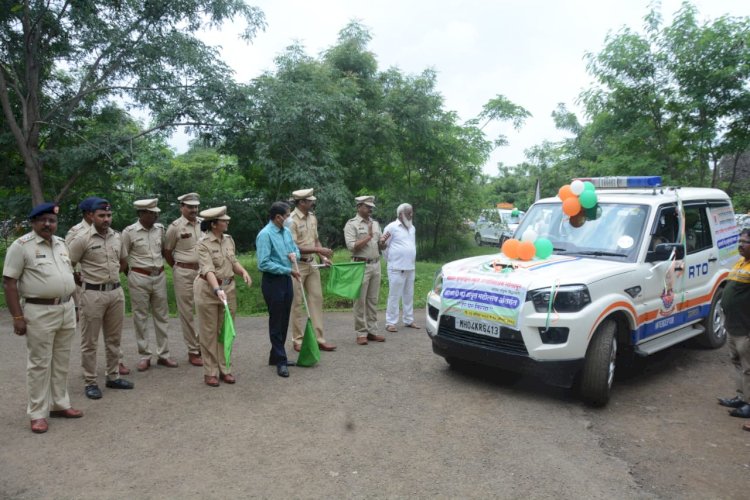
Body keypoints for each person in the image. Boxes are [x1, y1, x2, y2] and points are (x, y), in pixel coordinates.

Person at [3, 203, 82, 433]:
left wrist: (75, 305)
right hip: (39, 311)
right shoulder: (22, 246)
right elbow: (9, 282)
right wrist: (17, 316)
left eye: (52, 220)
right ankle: (37, 413)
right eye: (43, 220)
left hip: (66, 308)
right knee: (39, 363)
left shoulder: (61, 244)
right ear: (33, 222)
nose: (48, 224)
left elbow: (68, 277)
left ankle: (59, 403)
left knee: (61, 359)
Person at [68, 198, 134, 399]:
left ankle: (113, 376)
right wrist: (82, 283)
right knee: (90, 341)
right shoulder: (82, 238)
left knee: (114, 339)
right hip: (92, 294)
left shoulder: (117, 236)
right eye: (101, 215)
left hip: (115, 292)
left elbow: (123, 261)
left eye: (108, 215)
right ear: (90, 216)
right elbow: (68, 264)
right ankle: (90, 381)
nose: (106, 219)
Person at [194, 206, 251, 387]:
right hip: (209, 291)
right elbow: (208, 269)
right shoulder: (203, 244)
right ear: (213, 224)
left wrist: (243, 272)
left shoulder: (228, 240)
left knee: (225, 330)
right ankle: (210, 372)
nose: (227, 222)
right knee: (209, 332)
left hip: (228, 289)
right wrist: (217, 289)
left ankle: (225, 368)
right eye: (223, 220)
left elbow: (233, 261)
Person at [120, 199, 177, 371]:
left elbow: (163, 251)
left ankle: (164, 354)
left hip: (158, 276)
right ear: (141, 213)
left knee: (162, 316)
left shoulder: (160, 229)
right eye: (151, 213)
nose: (155, 215)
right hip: (138, 277)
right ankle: (145, 355)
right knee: (140, 317)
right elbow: (123, 257)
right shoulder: (129, 232)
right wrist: (132, 274)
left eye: (155, 213)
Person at [256, 201, 301, 377]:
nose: (289, 219)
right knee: (276, 321)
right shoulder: (265, 235)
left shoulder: (286, 232)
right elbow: (263, 263)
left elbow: (295, 251)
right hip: (273, 281)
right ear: (278, 217)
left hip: (286, 280)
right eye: (288, 215)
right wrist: (288, 269)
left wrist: (294, 255)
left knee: (284, 320)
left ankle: (275, 356)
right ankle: (281, 361)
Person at [288, 188, 336, 352]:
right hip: (297, 265)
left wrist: (323, 257)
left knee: (316, 299)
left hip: (312, 263)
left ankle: (319, 338)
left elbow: (316, 240)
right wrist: (318, 251)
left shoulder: (313, 218)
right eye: (309, 201)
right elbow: (293, 247)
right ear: (301, 202)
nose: (312, 203)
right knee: (297, 303)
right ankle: (298, 340)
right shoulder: (291, 220)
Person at [164, 192, 203, 367]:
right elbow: (167, 251)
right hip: (184, 273)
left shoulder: (204, 223)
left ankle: (202, 344)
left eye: (196, 206)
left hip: (203, 273)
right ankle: (193, 351)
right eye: (190, 206)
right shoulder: (175, 227)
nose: (194, 210)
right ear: (182, 207)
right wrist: (179, 267)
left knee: (205, 308)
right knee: (187, 313)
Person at [344, 195, 387, 345]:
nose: (370, 209)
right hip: (360, 265)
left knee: (372, 300)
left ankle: (372, 331)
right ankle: (361, 333)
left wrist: (383, 243)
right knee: (360, 301)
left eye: (371, 207)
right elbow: (351, 246)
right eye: (368, 207)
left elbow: (380, 245)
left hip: (376, 264)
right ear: (359, 207)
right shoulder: (352, 224)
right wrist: (368, 237)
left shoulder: (375, 223)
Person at [717, 228, 750, 419]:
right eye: (740, 241)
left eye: (744, 242)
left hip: (745, 327)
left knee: (748, 366)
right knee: (737, 361)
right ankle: (741, 396)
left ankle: (749, 403)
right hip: (733, 325)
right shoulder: (740, 262)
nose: (740, 245)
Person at [382, 203, 419, 333]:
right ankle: (390, 322)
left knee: (409, 294)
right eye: (408, 212)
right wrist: (391, 261)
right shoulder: (391, 227)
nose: (411, 214)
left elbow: (411, 246)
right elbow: (384, 247)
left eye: (411, 212)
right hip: (396, 267)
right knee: (394, 295)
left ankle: (408, 320)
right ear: (400, 214)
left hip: (410, 267)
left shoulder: (412, 228)